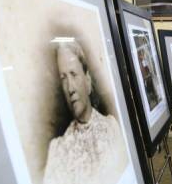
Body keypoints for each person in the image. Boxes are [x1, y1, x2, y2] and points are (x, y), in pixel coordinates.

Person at [43, 41, 127, 184]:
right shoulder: (58, 150)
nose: (70, 88)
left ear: (87, 80)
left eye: (74, 74)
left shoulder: (111, 127)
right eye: (63, 78)